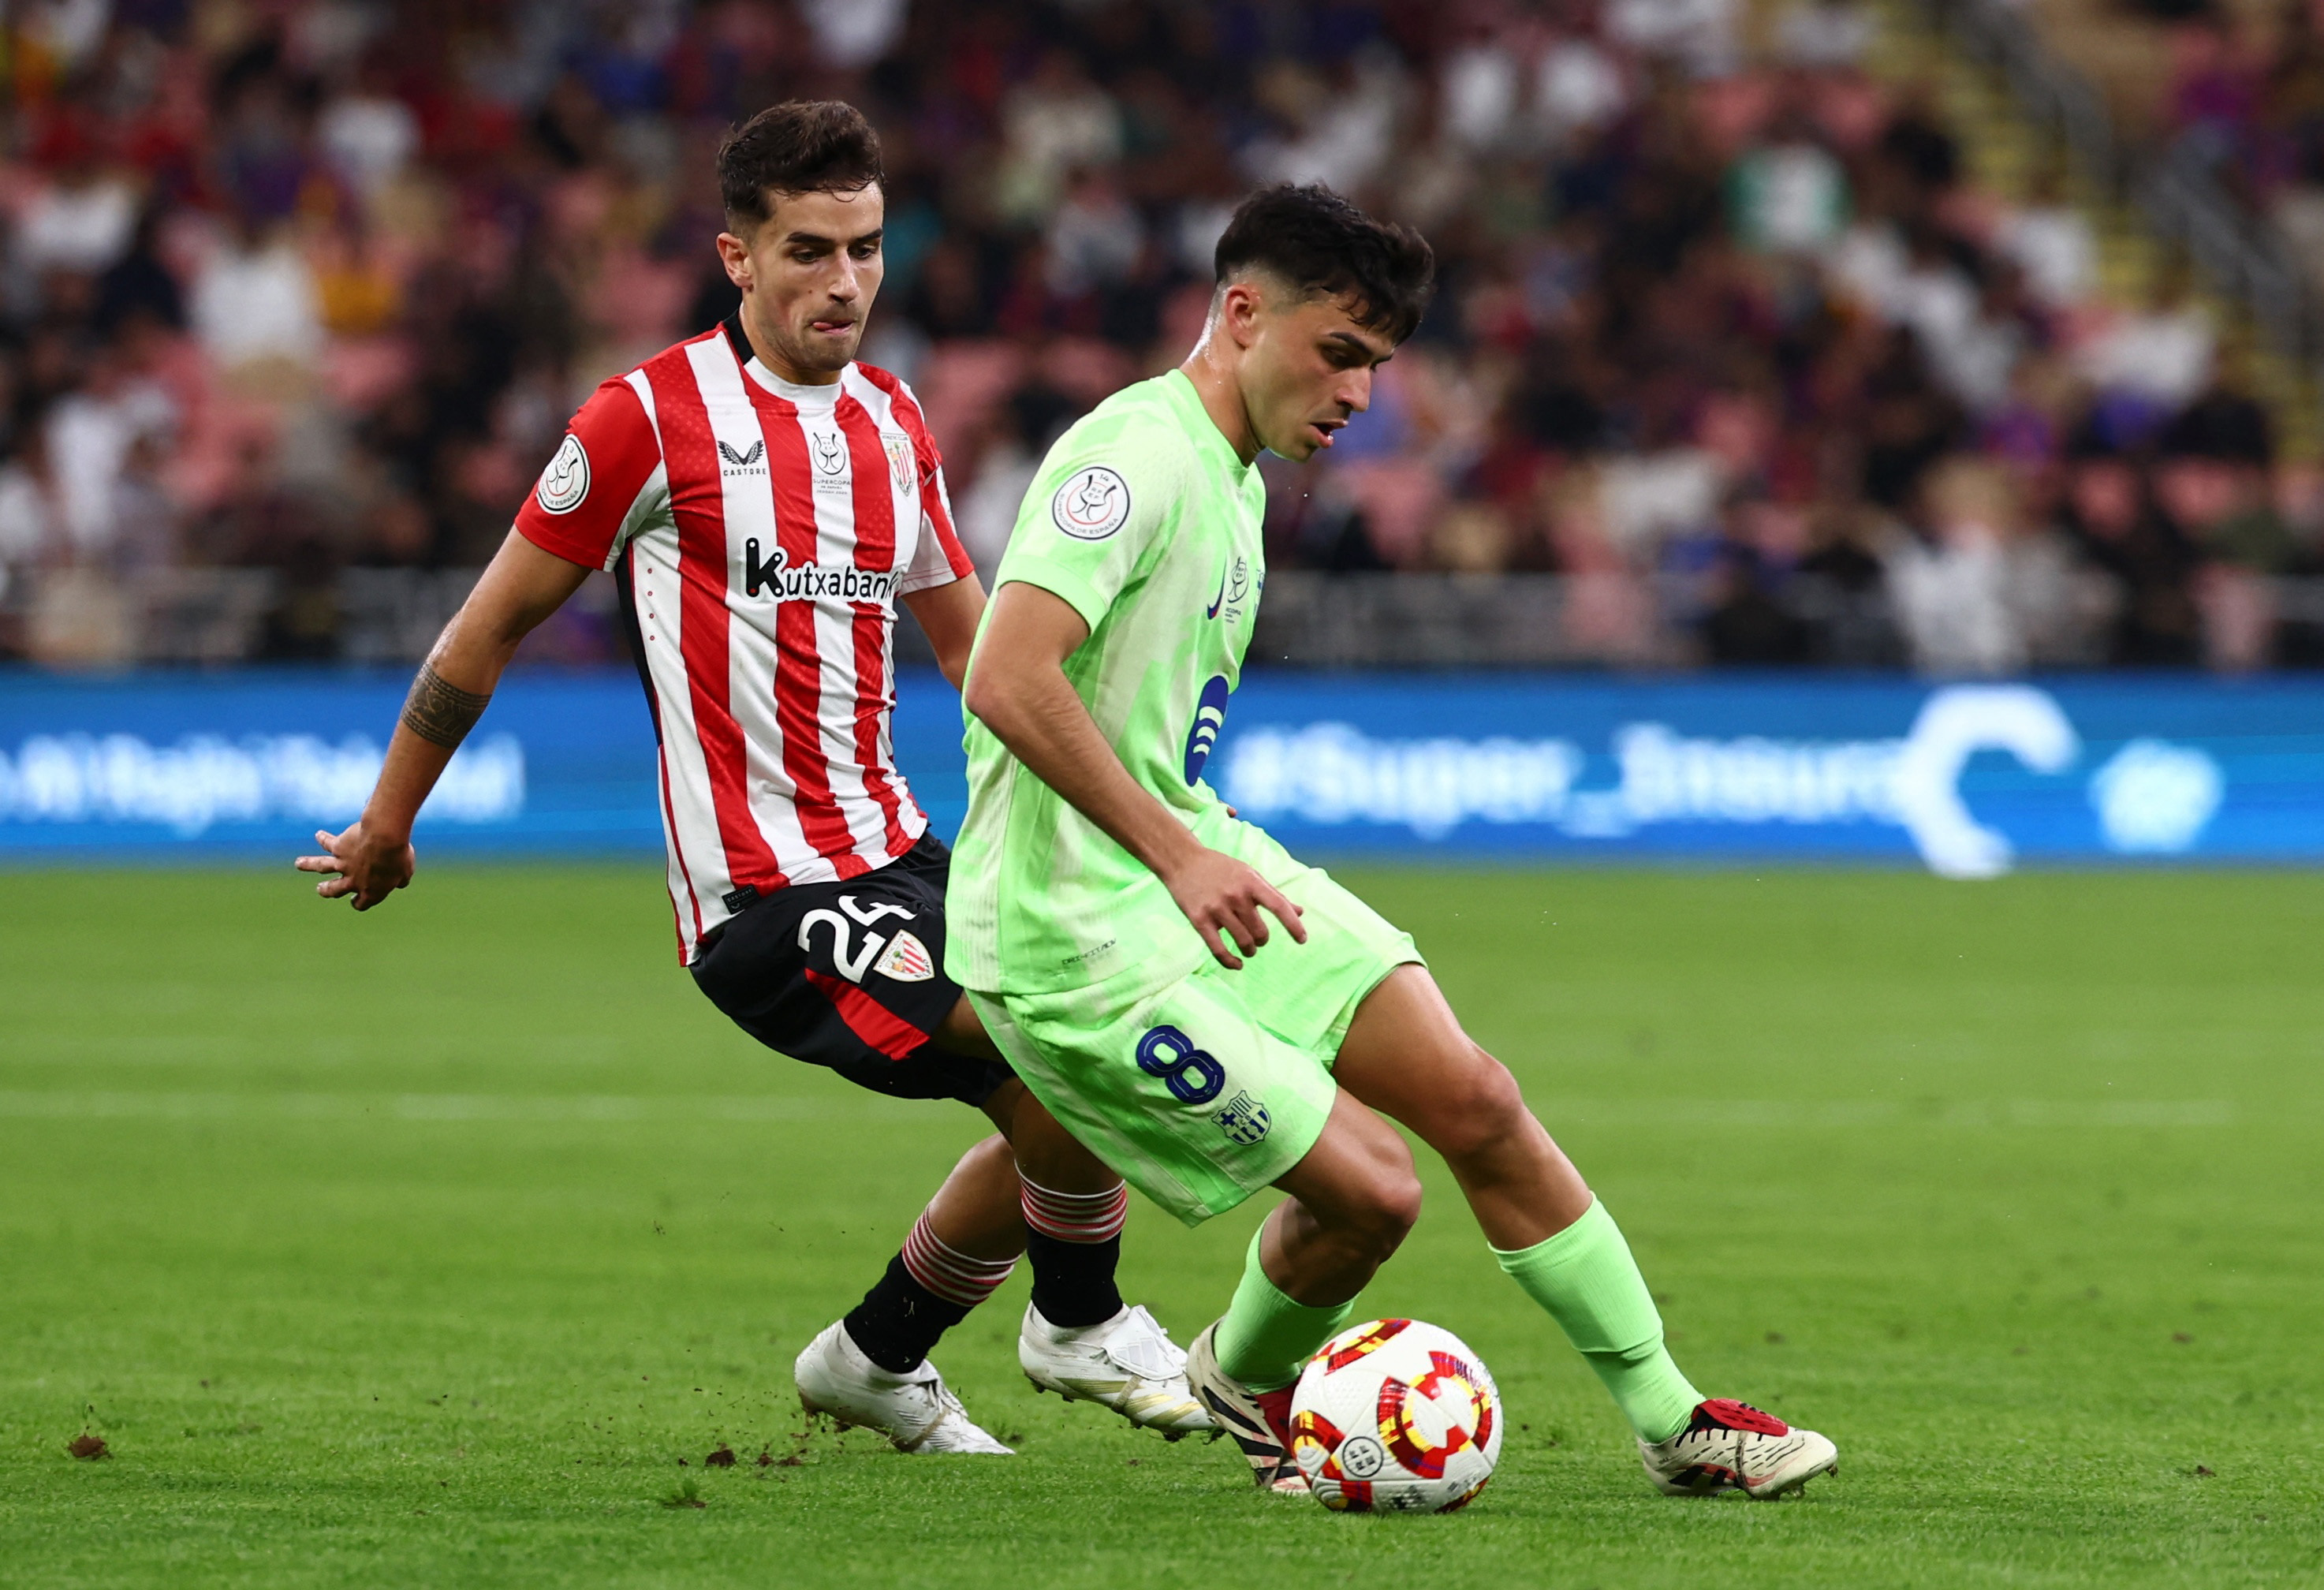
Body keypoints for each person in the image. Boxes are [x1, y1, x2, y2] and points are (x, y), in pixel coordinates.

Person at [296, 101, 1211, 1457]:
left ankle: (876, 1355)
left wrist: (1113, 819)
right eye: (807, 251)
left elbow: (973, 653)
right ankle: (1077, 1319)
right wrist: (389, 820)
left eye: (867, 247)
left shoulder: (894, 421)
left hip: (900, 855)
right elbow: (486, 629)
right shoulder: (643, 422)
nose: (843, 281)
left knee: (1083, 1069)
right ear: (737, 256)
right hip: (763, 898)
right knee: (1045, 1049)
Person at [950, 182, 1840, 1499]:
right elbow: (1005, 676)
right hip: (1076, 936)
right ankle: (1247, 1385)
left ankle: (1673, 1422)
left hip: (1189, 870)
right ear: (1243, 314)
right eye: (1341, 354)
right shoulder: (1127, 461)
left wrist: (1194, 853)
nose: (1362, 397)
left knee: (1475, 1098)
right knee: (1376, 1196)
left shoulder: (1235, 475)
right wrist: (1180, 856)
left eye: (1379, 365)